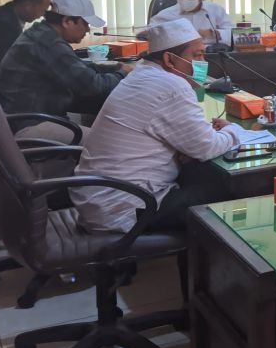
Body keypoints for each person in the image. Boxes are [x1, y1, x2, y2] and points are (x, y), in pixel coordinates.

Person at [70, 19, 245, 233]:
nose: (203, 61)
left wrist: (190, 145)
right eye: (196, 55)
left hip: (100, 198)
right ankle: (214, 264)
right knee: (229, 190)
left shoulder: (142, 73)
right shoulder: (172, 85)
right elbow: (207, 148)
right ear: (169, 59)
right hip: (126, 206)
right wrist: (232, 131)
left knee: (197, 174)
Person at [0, 0, 127, 139]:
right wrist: (123, 75)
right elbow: (92, 86)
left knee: (95, 126)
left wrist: (115, 68)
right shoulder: (49, 43)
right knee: (108, 142)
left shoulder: (41, 33)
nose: (88, 30)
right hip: (30, 125)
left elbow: (76, 68)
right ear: (67, 21)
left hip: (19, 119)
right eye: (85, 23)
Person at [144, 0, 234, 48]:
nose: (184, 1)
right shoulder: (167, 14)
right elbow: (148, 33)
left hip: (211, 54)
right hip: (179, 57)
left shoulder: (216, 10)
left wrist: (213, 32)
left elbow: (234, 34)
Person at [0, 0, 52, 72]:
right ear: (27, 5)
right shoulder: (4, 24)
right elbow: (6, 66)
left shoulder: (7, 13)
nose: (42, 15)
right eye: (42, 10)